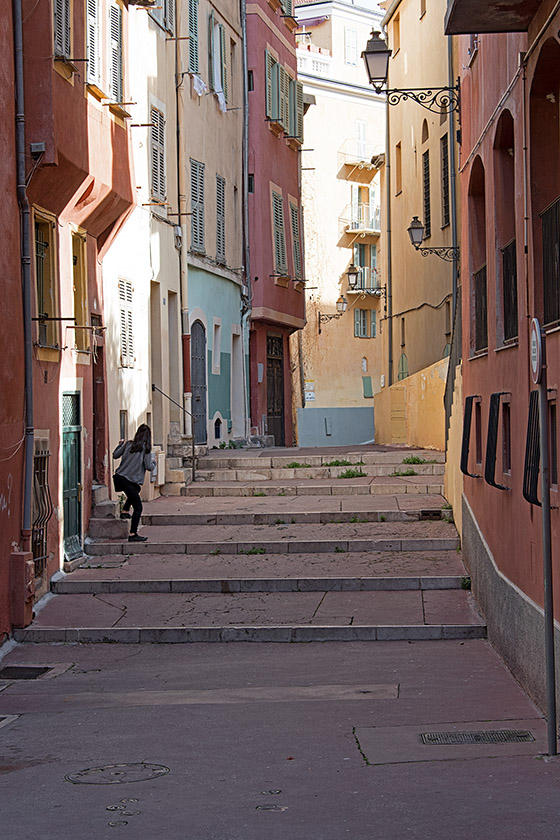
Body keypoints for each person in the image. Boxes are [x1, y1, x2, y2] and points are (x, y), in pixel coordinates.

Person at [113, 424, 156, 542]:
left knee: (136, 488)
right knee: (138, 507)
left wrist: (120, 445)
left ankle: (125, 511)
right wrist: (154, 463)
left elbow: (115, 455)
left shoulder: (128, 444)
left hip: (120, 477)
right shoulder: (145, 448)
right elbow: (149, 467)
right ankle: (133, 534)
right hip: (129, 480)